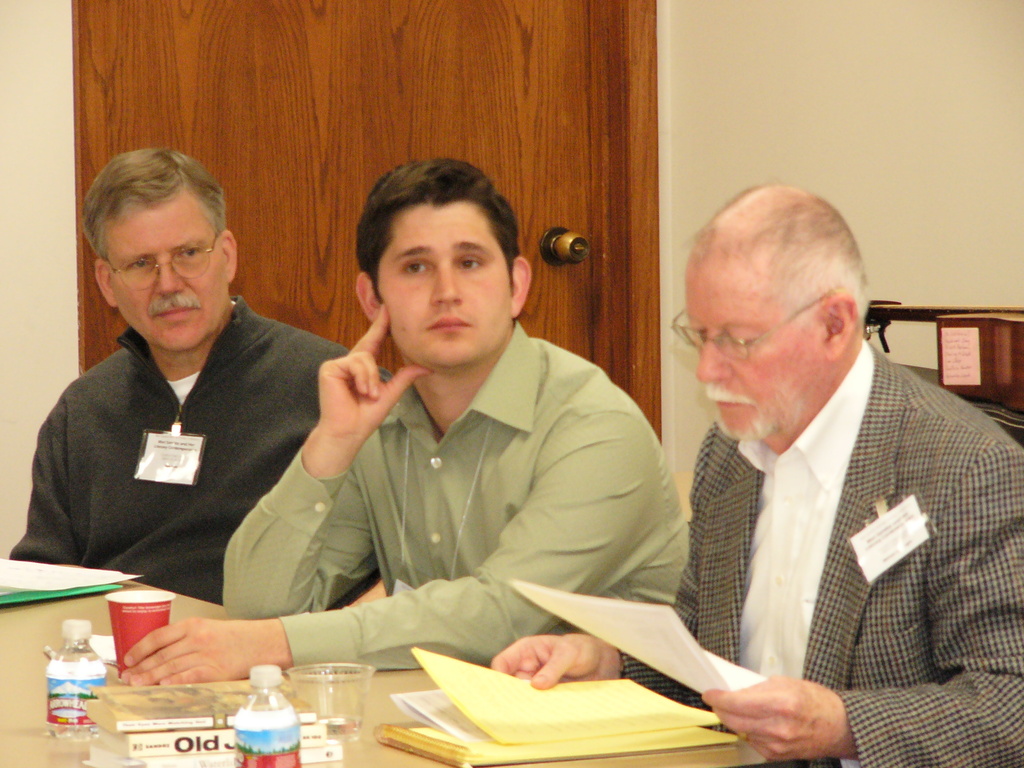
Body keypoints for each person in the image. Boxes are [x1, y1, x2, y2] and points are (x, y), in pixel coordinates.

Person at [492, 185, 1024, 767]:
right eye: (699, 335)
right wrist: (607, 659)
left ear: (835, 324)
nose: (707, 371)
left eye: (738, 341)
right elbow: (705, 651)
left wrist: (843, 726)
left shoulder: (967, 468)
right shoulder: (730, 452)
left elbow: (1006, 705)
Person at [117, 157, 686, 684]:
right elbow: (255, 606)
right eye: (416, 268)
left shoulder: (594, 425)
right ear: (372, 299)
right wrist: (330, 446)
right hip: (453, 719)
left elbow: (502, 617)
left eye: (469, 262)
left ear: (517, 285)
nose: (446, 292)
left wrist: (272, 644)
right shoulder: (379, 423)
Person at [10, 148, 349, 605]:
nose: (168, 284)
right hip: (115, 658)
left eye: (188, 254)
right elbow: (41, 583)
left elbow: (379, 572)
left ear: (226, 255)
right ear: (107, 283)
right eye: (140, 264)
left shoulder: (329, 391)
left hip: (267, 656)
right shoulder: (82, 413)